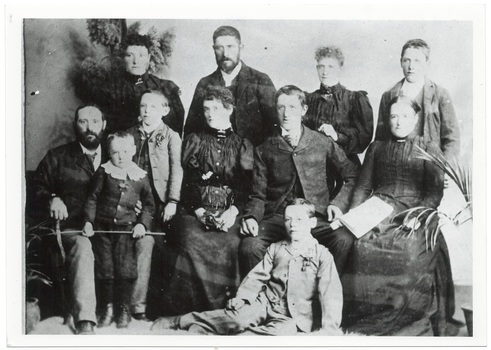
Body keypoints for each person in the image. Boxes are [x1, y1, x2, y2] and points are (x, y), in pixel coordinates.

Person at [341, 95, 455, 335]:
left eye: (405, 116)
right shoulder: (377, 147)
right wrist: (353, 213)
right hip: (379, 208)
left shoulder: (428, 147)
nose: (399, 121)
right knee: (362, 247)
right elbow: (362, 187)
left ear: (415, 119)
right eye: (393, 116)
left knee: (409, 250)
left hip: (416, 210)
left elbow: (433, 192)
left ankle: (404, 315)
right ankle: (370, 313)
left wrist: (420, 216)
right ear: (387, 119)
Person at [152, 198, 343, 335]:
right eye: (288, 219)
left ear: (312, 223)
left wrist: (330, 328)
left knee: (277, 336)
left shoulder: (322, 255)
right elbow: (257, 276)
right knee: (235, 318)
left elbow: (330, 293)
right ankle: (181, 320)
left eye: (299, 220)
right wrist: (244, 298)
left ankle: (222, 333)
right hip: (265, 303)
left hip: (292, 315)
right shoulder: (277, 248)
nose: (292, 225)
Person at [239, 85, 359, 279]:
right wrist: (252, 217)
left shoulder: (322, 142)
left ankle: (321, 294)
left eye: (292, 107)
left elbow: (351, 174)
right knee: (249, 246)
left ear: (303, 110)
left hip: (316, 217)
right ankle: (264, 299)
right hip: (278, 217)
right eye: (281, 107)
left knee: (343, 239)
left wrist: (338, 204)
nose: (286, 114)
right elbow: (258, 194)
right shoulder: (265, 148)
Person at [162, 85, 253, 314]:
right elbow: (188, 182)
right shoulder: (195, 141)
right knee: (190, 240)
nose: (210, 113)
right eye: (206, 109)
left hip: (230, 211)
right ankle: (187, 309)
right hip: (196, 210)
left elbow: (246, 186)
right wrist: (200, 211)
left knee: (232, 243)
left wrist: (233, 212)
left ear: (229, 109)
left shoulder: (242, 144)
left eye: (216, 108)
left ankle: (224, 310)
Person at [32, 105, 106, 334]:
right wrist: (52, 199)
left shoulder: (119, 153)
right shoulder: (58, 156)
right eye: (83, 121)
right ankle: (85, 320)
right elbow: (36, 186)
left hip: (109, 229)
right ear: (75, 125)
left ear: (104, 125)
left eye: (95, 121)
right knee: (83, 246)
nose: (89, 127)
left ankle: (127, 311)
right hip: (72, 229)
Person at [83, 131, 155, 329]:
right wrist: (89, 222)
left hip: (126, 230)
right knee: (105, 268)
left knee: (125, 268)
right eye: (115, 152)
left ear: (133, 150)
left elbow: (149, 206)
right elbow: (92, 198)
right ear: (109, 152)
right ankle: (106, 307)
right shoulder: (104, 172)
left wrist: (142, 224)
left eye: (125, 151)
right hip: (103, 230)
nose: (121, 156)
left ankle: (123, 308)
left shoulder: (140, 176)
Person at [126, 89, 183, 321]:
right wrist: (131, 200)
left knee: (164, 249)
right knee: (137, 243)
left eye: (153, 106)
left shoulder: (171, 136)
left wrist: (172, 201)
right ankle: (132, 303)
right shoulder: (130, 134)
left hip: (161, 203)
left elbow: (177, 170)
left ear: (165, 110)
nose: (147, 111)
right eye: (143, 106)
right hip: (136, 202)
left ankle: (158, 306)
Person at [184, 25, 276, 146]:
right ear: (213, 49)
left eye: (230, 47)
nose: (225, 54)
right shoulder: (205, 84)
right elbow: (191, 131)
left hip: (253, 159)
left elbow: (274, 127)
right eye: (219, 48)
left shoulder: (260, 80)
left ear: (240, 47)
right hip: (214, 159)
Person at [375, 39, 460, 161]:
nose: (411, 67)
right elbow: (380, 139)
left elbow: (452, 139)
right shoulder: (388, 96)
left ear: (427, 63)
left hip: (430, 167)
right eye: (406, 60)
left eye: (417, 61)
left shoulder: (440, 94)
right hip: (397, 168)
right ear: (400, 62)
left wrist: (446, 170)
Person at [304, 46, 373, 169]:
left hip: (345, 166)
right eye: (321, 66)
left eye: (331, 66)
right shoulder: (308, 99)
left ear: (341, 69)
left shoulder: (354, 99)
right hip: (314, 166)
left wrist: (337, 136)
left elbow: (363, 138)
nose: (325, 72)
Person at [104, 33, 185, 133]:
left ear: (148, 58)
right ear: (123, 58)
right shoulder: (112, 88)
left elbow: (174, 129)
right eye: (129, 55)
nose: (136, 61)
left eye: (141, 55)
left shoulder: (165, 88)